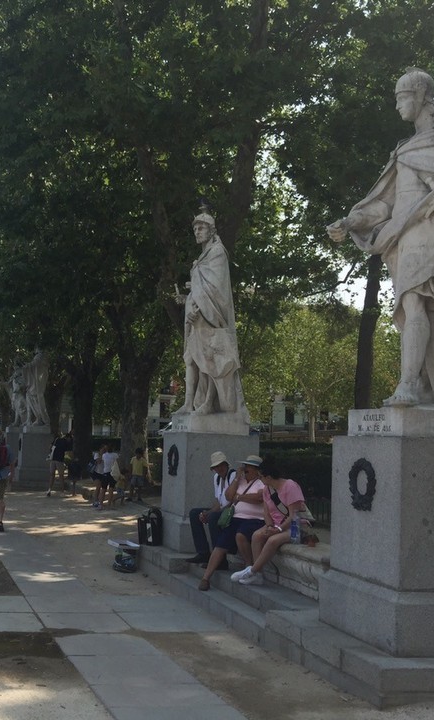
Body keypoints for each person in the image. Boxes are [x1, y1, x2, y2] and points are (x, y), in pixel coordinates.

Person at [327, 68, 434, 409]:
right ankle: (420, 384)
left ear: (421, 95)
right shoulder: (404, 150)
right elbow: (385, 204)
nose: (397, 106)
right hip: (406, 236)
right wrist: (349, 220)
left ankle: (410, 385)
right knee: (413, 305)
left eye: (402, 97)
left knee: (414, 302)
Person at [173, 208, 249, 418]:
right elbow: (201, 286)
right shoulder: (203, 256)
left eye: (201, 228)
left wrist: (197, 306)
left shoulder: (217, 253)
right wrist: (188, 298)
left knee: (210, 361)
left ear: (211, 230)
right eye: (195, 228)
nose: (197, 232)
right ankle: (188, 404)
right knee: (191, 359)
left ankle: (208, 403)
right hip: (196, 316)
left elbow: (216, 288)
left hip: (210, 316)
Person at [230, 458, 308, 585]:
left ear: (269, 477)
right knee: (256, 535)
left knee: (272, 540)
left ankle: (252, 571)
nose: (260, 479)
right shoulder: (267, 489)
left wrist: (278, 530)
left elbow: (294, 516)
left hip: (295, 526)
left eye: (261, 476)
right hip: (276, 525)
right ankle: (258, 575)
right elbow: (267, 512)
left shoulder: (290, 486)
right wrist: (269, 526)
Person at [198, 456, 265, 591]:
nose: (245, 470)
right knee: (220, 545)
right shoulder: (240, 481)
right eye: (244, 467)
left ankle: (249, 566)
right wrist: (236, 479)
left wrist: (239, 497)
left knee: (240, 535)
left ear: (256, 470)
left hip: (254, 519)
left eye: (248, 468)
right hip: (236, 517)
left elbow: (259, 497)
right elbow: (228, 496)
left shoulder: (260, 482)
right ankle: (206, 578)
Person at [184, 451, 237, 564]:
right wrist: (207, 513)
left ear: (226, 465)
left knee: (213, 517)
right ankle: (203, 553)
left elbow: (233, 500)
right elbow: (218, 502)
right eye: (216, 467)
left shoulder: (233, 475)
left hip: (232, 511)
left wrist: (212, 513)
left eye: (221, 465)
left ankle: (220, 559)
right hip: (222, 509)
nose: (219, 469)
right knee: (195, 513)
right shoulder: (216, 478)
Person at [46, 432, 72, 497]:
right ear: (68, 438)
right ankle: (62, 491)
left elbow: (50, 446)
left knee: (52, 475)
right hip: (59, 460)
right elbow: (68, 452)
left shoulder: (57, 439)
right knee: (61, 476)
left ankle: (49, 489)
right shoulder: (66, 443)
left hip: (52, 459)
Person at [94, 445, 119, 511]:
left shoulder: (104, 455)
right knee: (111, 489)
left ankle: (100, 504)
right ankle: (109, 505)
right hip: (112, 473)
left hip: (105, 473)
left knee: (103, 489)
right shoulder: (115, 455)